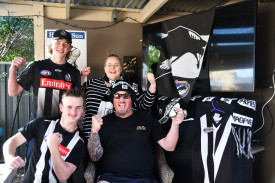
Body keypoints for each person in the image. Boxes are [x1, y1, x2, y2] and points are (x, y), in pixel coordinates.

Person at [8, 29, 81, 171]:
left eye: (66, 44)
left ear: (70, 48)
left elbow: (76, 102)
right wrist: (13, 69)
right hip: (37, 130)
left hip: (63, 131)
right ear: (51, 43)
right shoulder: (36, 66)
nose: (61, 47)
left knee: (58, 172)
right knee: (34, 172)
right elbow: (13, 92)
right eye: (58, 42)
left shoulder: (74, 73)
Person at [87, 81, 184, 182]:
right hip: (110, 177)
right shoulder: (104, 122)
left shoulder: (147, 120)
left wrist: (175, 124)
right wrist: (94, 131)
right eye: (117, 96)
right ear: (113, 99)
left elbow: (169, 146)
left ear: (131, 99)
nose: (121, 100)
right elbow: (94, 157)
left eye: (126, 96)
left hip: (143, 179)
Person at [3, 88, 86, 183]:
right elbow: (12, 141)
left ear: (83, 109)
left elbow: (63, 175)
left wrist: (53, 147)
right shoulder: (42, 123)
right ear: (61, 107)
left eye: (78, 107)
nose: (73, 112)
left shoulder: (80, 141)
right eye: (69, 107)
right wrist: (9, 157)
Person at [80, 54, 156, 139]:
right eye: (109, 65)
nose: (112, 68)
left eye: (116, 65)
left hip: (118, 138)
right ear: (104, 68)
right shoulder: (92, 83)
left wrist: (152, 85)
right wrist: (82, 76)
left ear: (121, 68)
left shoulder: (131, 86)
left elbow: (144, 105)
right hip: (90, 135)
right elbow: (77, 94)